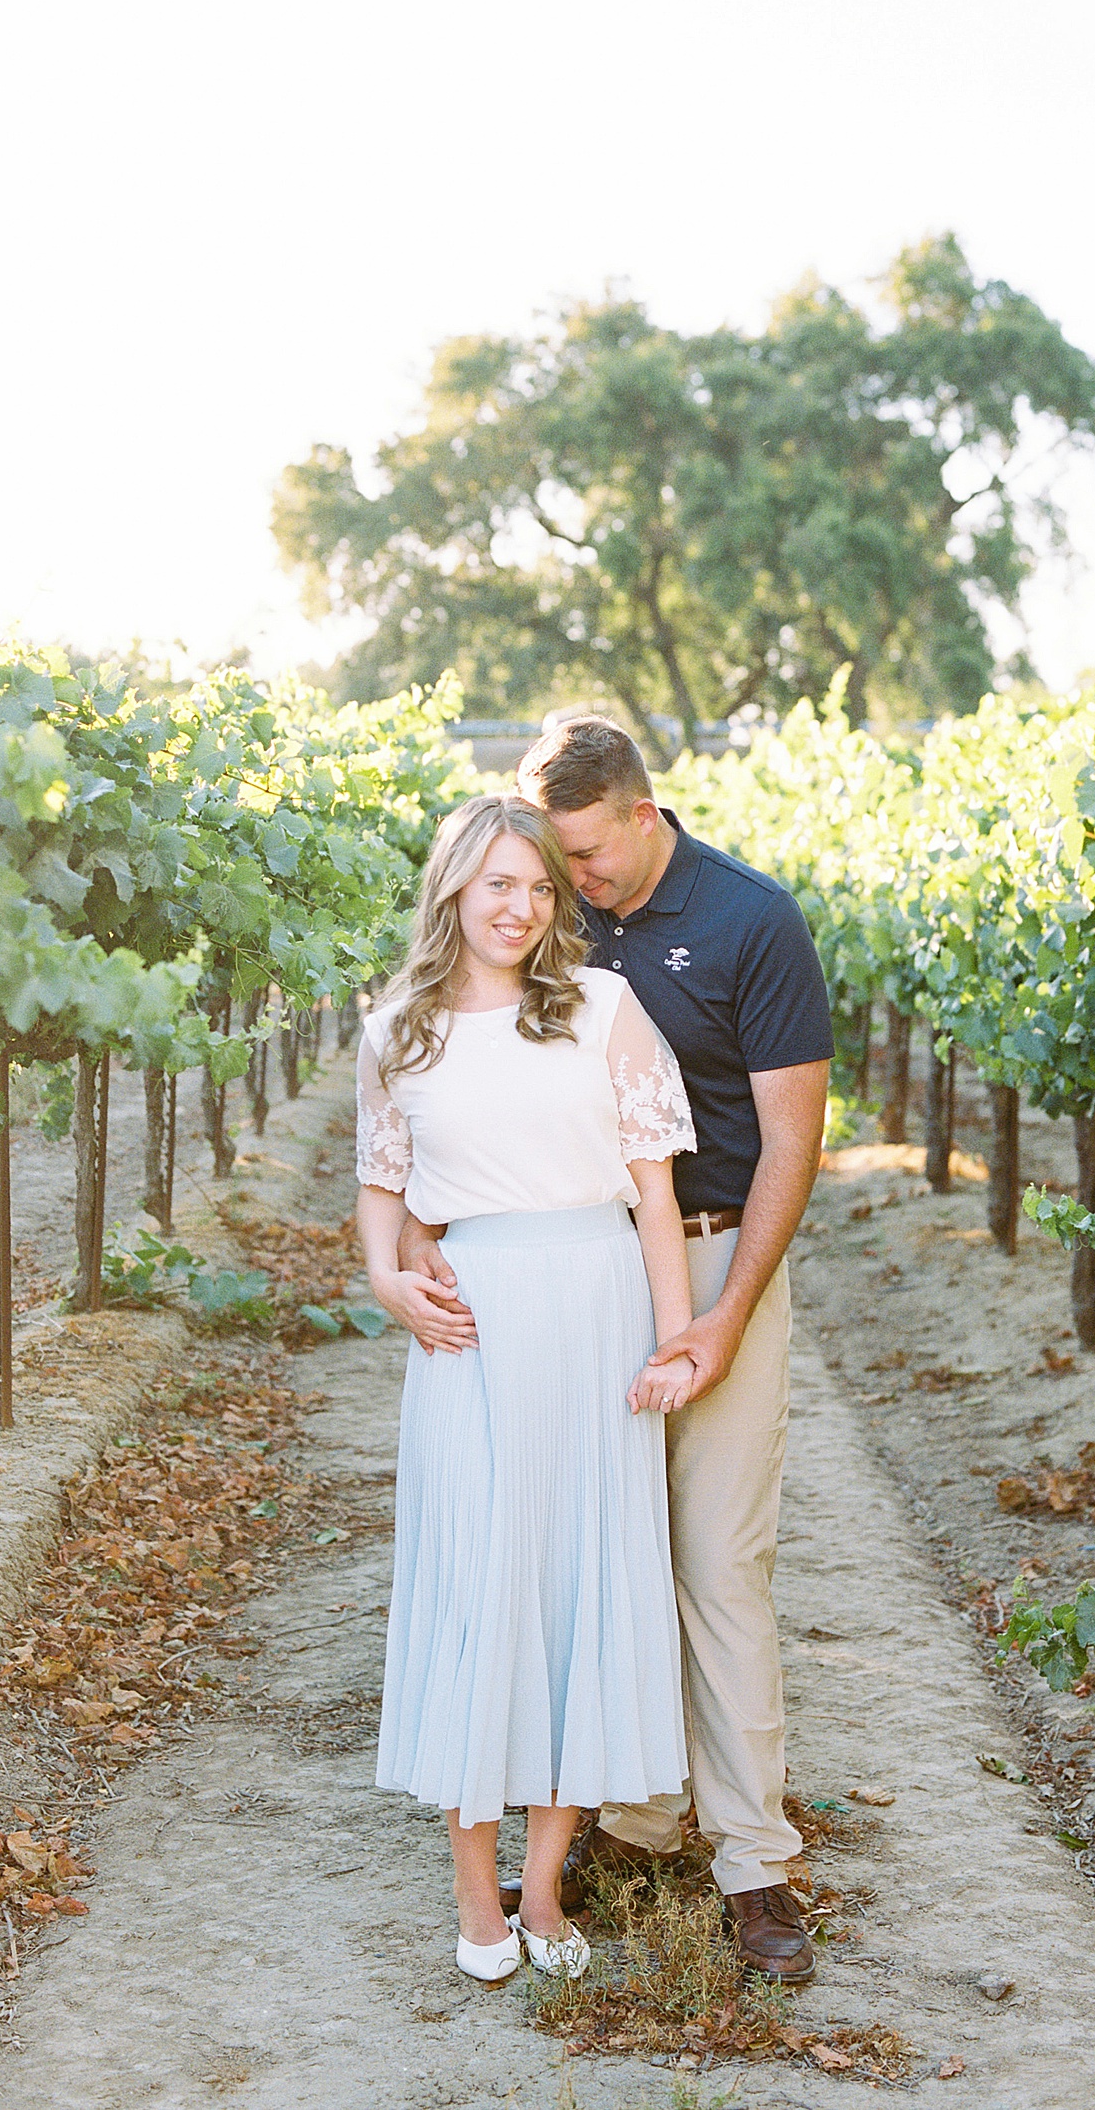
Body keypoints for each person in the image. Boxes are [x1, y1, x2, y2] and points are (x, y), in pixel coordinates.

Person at [402, 718, 833, 1985]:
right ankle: (629, 1813)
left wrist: (723, 1311)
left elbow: (792, 1145)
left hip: (709, 1260)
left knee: (713, 1561)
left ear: (645, 814)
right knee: (587, 1552)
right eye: (547, 865)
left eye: (582, 859)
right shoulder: (552, 932)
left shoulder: (755, 921)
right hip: (571, 1279)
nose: (564, 887)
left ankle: (755, 1862)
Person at [355, 791, 701, 1985]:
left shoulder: (601, 1008)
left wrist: (674, 1340)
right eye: (500, 882)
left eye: (541, 887)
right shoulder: (397, 1028)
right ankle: (475, 1900)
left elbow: (654, 1193)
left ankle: (544, 1893)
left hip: (598, 1307)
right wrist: (389, 1280)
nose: (522, 907)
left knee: (576, 1583)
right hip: (477, 1328)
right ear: (455, 885)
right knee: (479, 1579)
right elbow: (386, 1195)